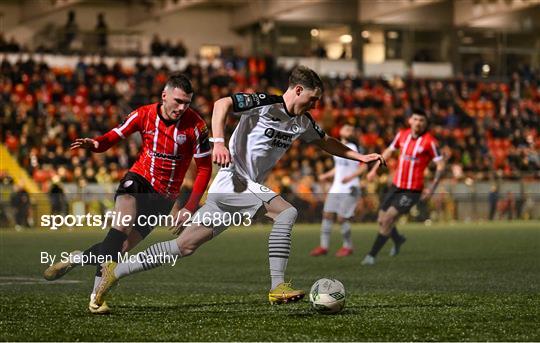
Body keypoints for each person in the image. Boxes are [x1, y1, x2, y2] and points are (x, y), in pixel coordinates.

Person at [94, 66, 385, 309]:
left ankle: (114, 272)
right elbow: (222, 104)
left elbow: (326, 141)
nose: (315, 105)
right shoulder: (265, 103)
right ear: (297, 90)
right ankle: (277, 285)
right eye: (313, 98)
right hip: (233, 181)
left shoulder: (302, 122)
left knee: (183, 246)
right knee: (286, 213)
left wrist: (360, 157)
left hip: (240, 189)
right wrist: (218, 142)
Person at [43, 73, 213, 314]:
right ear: (164, 96)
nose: (181, 107)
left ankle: (77, 258)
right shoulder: (143, 114)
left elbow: (205, 168)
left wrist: (189, 207)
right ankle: (96, 299)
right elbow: (115, 135)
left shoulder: (196, 126)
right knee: (120, 227)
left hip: (164, 199)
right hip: (138, 181)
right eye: (177, 101)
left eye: (187, 102)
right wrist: (97, 144)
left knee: (119, 249)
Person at [361, 109, 445, 265]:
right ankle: (398, 239)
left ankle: (371, 256)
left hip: (412, 190)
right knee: (381, 219)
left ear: (425, 124)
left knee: (387, 219)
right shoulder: (402, 135)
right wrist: (373, 169)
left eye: (422, 120)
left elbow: (441, 164)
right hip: (396, 185)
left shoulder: (430, 142)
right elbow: (388, 152)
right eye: (416, 119)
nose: (418, 122)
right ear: (410, 121)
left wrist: (432, 188)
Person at [310, 124, 367, 257]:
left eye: (351, 130)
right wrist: (326, 175)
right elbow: (339, 167)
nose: (349, 130)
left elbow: (363, 167)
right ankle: (324, 246)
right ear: (340, 130)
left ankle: (348, 246)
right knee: (327, 215)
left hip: (350, 187)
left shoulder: (353, 148)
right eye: (347, 128)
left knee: (342, 218)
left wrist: (351, 177)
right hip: (337, 187)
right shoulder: (338, 147)